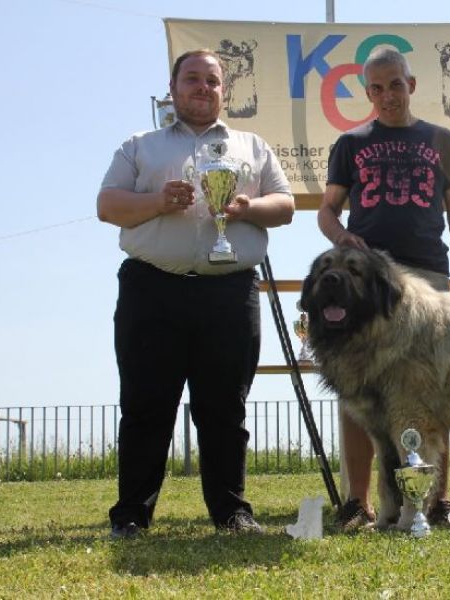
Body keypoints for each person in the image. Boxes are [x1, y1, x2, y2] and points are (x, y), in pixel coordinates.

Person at [97, 49, 294, 539]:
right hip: (152, 289)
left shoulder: (251, 146)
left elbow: (285, 204)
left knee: (225, 408)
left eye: (211, 81)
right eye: (192, 80)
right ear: (173, 87)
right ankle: (131, 517)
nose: (202, 88)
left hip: (229, 292)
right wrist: (158, 201)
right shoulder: (140, 145)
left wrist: (247, 207)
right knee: (145, 407)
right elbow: (107, 205)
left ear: (224, 91)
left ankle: (232, 513)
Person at [317, 47, 450, 529]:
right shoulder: (350, 143)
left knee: (433, 388)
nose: (388, 95)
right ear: (368, 93)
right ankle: (358, 502)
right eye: (377, 88)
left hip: (428, 275)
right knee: (356, 383)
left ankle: (436, 501)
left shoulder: (441, 138)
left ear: (412, 85)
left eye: (396, 84)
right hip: (367, 285)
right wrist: (342, 237)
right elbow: (326, 210)